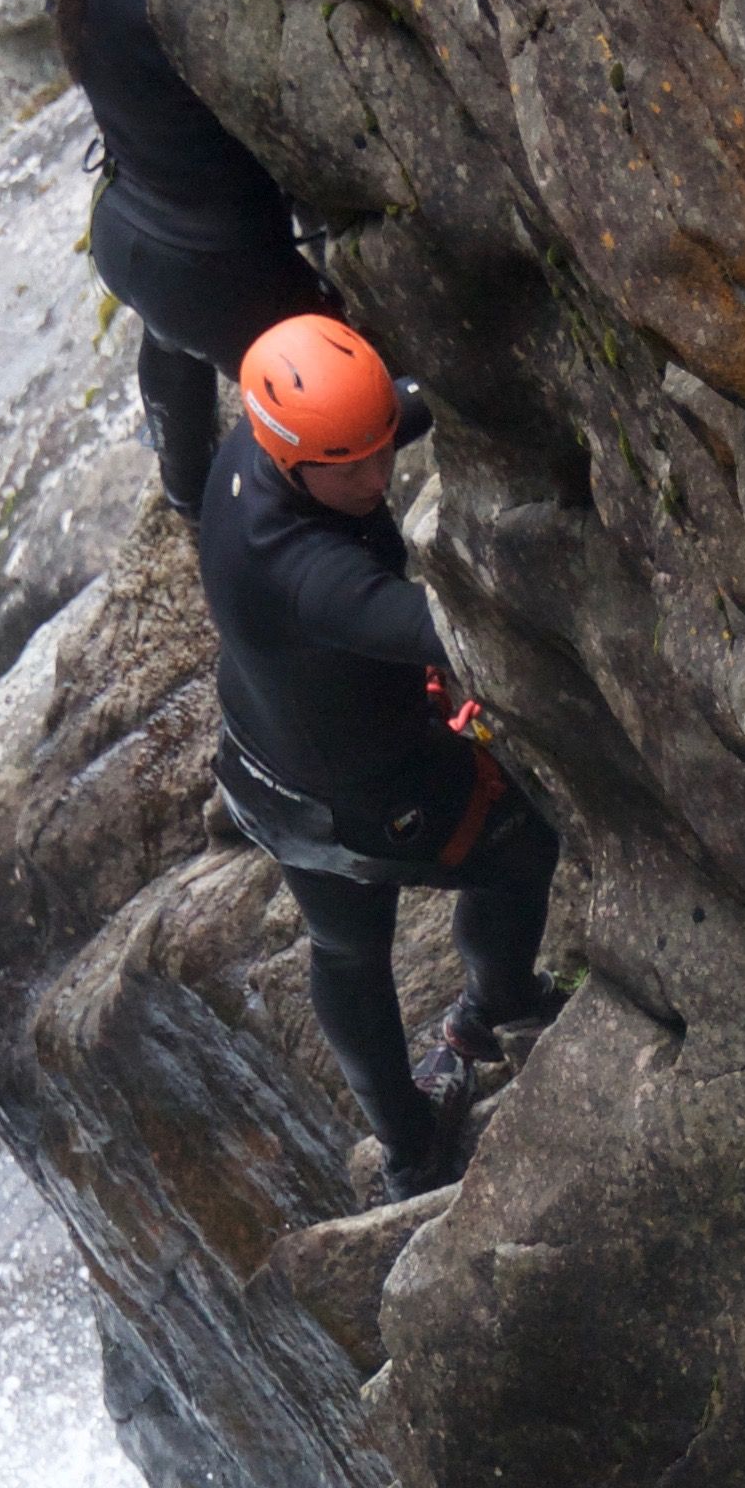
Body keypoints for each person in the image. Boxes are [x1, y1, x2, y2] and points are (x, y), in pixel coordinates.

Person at [201, 314, 568, 1197]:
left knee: (344, 949)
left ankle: (407, 1149)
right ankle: (493, 1013)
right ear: (296, 458)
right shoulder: (305, 576)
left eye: (381, 450)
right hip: (359, 796)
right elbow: (451, 630)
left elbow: (370, 423)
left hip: (262, 750)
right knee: (520, 850)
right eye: (354, 465)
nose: (377, 476)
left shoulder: (261, 443)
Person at [17, 0, 333, 516]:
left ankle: (185, 496)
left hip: (134, 238)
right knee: (327, 416)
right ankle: (276, 543)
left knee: (174, 339)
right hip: (223, 267)